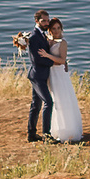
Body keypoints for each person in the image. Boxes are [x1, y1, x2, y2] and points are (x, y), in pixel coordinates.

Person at [12, 9, 58, 143]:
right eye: (44, 21)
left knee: (35, 105)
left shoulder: (42, 35)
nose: (47, 23)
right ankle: (46, 135)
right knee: (48, 102)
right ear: (36, 21)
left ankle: (31, 134)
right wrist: (53, 62)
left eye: (47, 20)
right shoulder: (34, 37)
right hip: (37, 75)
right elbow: (37, 59)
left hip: (40, 75)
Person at [44, 16, 84, 144]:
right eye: (53, 28)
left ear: (61, 29)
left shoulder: (62, 43)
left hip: (59, 74)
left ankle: (67, 130)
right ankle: (55, 128)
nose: (56, 31)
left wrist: (47, 56)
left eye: (58, 28)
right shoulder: (48, 40)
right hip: (51, 73)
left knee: (62, 99)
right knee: (53, 100)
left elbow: (62, 60)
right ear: (50, 30)